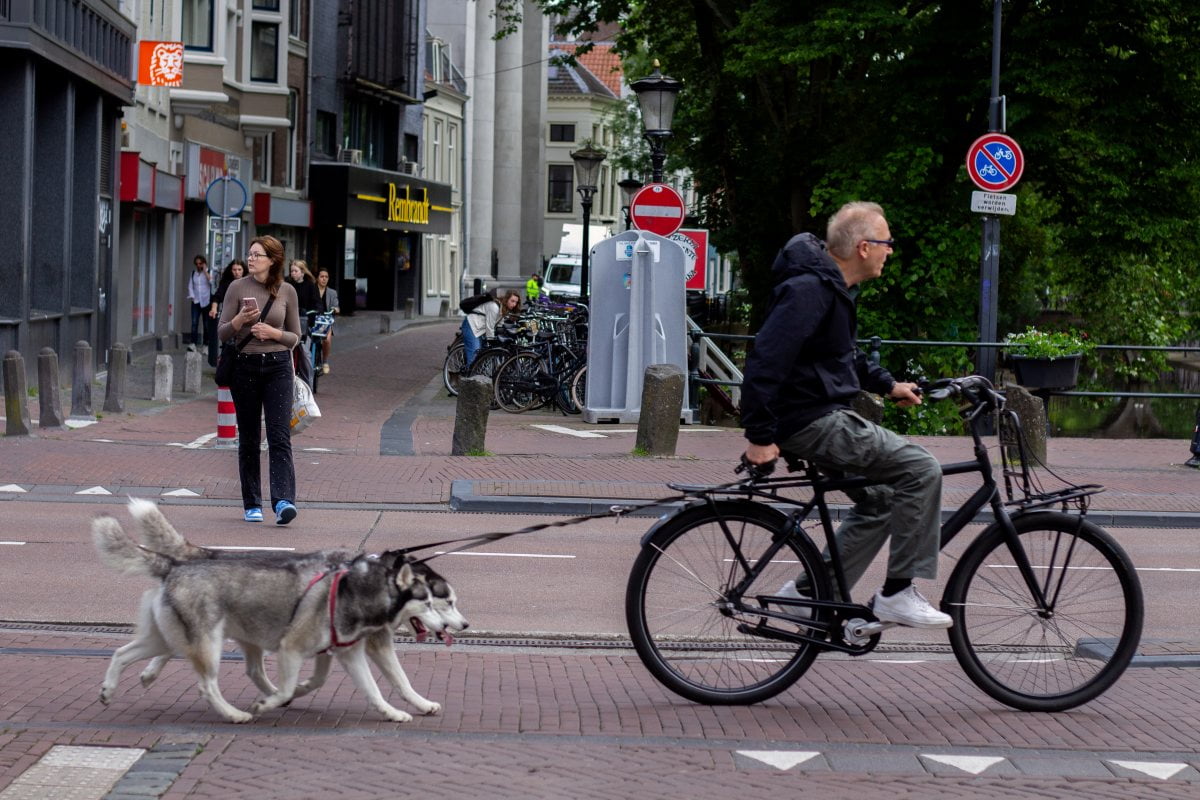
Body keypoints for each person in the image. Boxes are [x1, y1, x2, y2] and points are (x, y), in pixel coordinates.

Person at [739, 201, 951, 629]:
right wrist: (759, 435)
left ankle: (811, 596)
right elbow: (765, 360)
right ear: (864, 247)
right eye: (887, 241)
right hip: (809, 420)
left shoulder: (831, 289)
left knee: (882, 499)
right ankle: (897, 594)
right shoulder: (809, 291)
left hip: (815, 413)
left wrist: (889, 385)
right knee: (922, 469)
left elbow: (840, 357)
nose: (891, 249)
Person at [218, 235, 302, 526]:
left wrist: (274, 333)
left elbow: (295, 336)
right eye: (249, 254)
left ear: (272, 260)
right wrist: (241, 319)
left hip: (278, 366)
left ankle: (283, 502)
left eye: (257, 255)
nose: (250, 259)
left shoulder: (287, 291)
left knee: (280, 436)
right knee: (250, 438)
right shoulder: (236, 287)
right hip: (245, 366)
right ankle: (252, 503)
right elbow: (222, 332)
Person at [461, 289, 521, 368]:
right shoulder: (494, 307)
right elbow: (490, 327)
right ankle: (468, 377)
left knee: (481, 355)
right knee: (475, 357)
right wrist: (492, 340)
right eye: (512, 301)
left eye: (516, 302)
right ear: (506, 299)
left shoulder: (503, 309)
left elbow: (499, 325)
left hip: (480, 330)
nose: (514, 304)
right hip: (471, 326)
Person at [187, 254, 215, 363]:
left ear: (204, 263)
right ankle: (193, 344)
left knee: (206, 324)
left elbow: (212, 282)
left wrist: (205, 271)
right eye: (197, 264)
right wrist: (193, 297)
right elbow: (190, 286)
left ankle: (205, 345)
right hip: (196, 301)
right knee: (194, 322)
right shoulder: (193, 273)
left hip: (206, 301)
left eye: (200, 263)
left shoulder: (208, 272)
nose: (198, 265)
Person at [314, 267, 340, 374]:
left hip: (326, 320)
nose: (324, 279)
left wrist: (335, 309)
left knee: (327, 340)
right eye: (321, 276)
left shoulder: (332, 293)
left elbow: (336, 306)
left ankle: (325, 361)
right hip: (313, 319)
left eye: (326, 277)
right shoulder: (312, 290)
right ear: (317, 278)